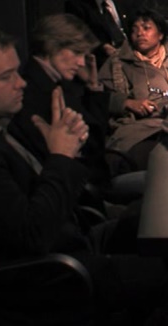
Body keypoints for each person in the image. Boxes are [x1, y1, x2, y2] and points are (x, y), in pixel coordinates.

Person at [0, 28, 168, 323]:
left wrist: (62, 155)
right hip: (58, 273)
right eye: (5, 76)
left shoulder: (4, 131)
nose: (20, 82)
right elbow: (33, 235)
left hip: (76, 236)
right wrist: (60, 157)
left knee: (155, 216)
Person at [8, 13, 144, 205]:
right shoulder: (41, 91)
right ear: (53, 46)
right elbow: (90, 145)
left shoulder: (58, 83)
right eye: (76, 52)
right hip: (80, 197)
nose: (81, 62)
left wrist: (93, 86)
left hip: (88, 187)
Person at [99, 8, 168, 169]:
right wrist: (127, 102)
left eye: (146, 28)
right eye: (134, 29)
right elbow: (98, 98)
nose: (140, 33)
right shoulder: (118, 63)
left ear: (160, 34)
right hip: (141, 130)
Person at [65, 0, 128, 68]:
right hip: (101, 59)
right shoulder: (77, 5)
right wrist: (102, 46)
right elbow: (80, 35)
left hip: (128, 52)